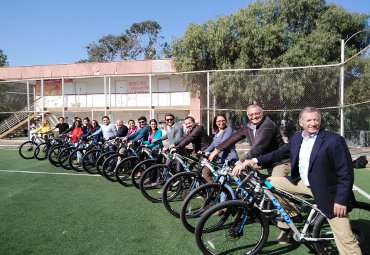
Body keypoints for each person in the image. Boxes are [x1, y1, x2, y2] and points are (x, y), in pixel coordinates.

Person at [238, 107, 361, 253]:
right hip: (303, 183)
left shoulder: (334, 140)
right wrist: (254, 160)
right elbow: (278, 153)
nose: (313, 123)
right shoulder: (297, 137)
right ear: (301, 122)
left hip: (328, 191)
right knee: (270, 182)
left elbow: (345, 173)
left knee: (345, 240)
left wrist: (341, 200)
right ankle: (293, 214)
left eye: (316, 120)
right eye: (308, 120)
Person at [209, 104, 290, 177]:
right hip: (264, 160)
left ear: (262, 113)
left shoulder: (268, 125)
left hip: (279, 161)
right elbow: (233, 137)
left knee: (275, 186)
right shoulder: (248, 126)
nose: (254, 117)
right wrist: (217, 149)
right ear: (248, 116)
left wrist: (242, 162)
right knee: (236, 170)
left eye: (257, 113)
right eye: (251, 114)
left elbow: (258, 147)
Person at [202, 114, 239, 183]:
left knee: (225, 181)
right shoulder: (216, 133)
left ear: (226, 121)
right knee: (205, 172)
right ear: (215, 123)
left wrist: (212, 153)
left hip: (228, 160)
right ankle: (213, 189)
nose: (221, 123)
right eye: (218, 121)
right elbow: (212, 145)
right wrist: (203, 152)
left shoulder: (229, 130)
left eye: (223, 120)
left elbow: (223, 143)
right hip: (218, 160)